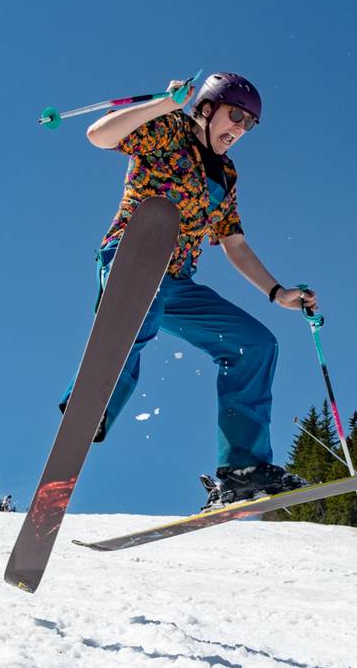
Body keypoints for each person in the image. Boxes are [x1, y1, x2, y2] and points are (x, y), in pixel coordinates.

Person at [63, 71, 313, 507]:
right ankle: (94, 402)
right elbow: (99, 135)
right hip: (130, 257)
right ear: (206, 107)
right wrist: (164, 105)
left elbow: (234, 242)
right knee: (142, 306)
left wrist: (277, 293)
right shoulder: (169, 131)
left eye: (248, 124)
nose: (238, 128)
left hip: (178, 281)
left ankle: (243, 469)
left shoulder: (226, 174)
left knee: (254, 345)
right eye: (234, 115)